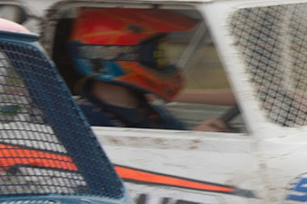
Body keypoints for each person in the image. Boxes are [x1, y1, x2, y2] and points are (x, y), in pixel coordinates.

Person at [66, 8, 225, 131]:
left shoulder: (152, 112)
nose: (162, 60)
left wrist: (197, 136)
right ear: (115, 54)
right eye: (156, 53)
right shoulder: (81, 120)